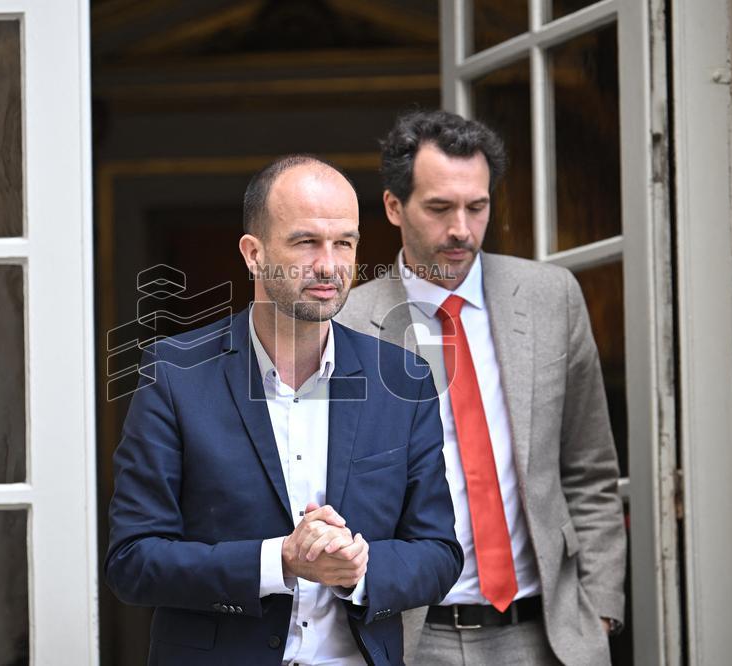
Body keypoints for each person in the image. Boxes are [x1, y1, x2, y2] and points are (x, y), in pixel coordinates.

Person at [106, 154, 464, 665]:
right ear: (253, 254)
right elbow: (132, 561)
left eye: (344, 242)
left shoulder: (402, 380)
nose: (329, 264)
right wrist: (280, 561)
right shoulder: (173, 374)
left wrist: (360, 567)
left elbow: (438, 554)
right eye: (305, 242)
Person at [335, 110, 626, 665]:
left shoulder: (552, 297)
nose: (461, 229)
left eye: (478, 206)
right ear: (395, 207)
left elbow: (589, 467)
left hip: (543, 632)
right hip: (410, 633)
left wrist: (600, 605)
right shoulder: (347, 322)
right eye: (440, 208)